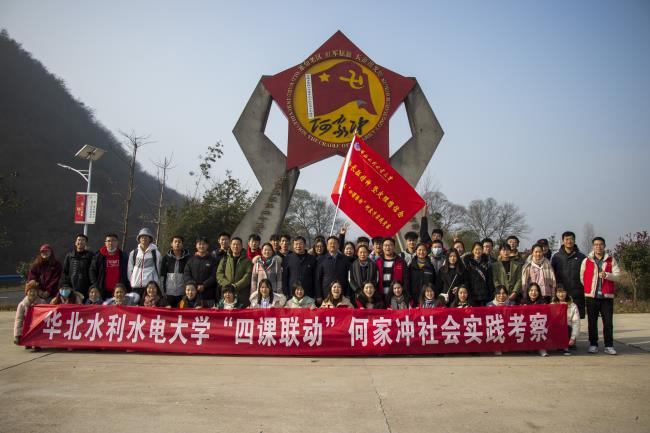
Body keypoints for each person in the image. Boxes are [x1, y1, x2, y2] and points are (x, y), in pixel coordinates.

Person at [581, 236, 621, 355]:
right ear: (593, 246)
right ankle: (593, 344)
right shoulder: (587, 260)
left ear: (604, 246)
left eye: (601, 244)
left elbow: (618, 276)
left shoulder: (611, 260)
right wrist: (589, 288)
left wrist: (607, 275)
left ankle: (609, 345)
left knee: (608, 322)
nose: (598, 246)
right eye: (596, 244)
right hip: (591, 296)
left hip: (606, 297)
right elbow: (582, 277)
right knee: (592, 322)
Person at [551, 231, 587, 319]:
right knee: (560, 318)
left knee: (576, 318)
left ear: (574, 241)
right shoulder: (556, 257)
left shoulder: (582, 257)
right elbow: (552, 274)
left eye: (571, 239)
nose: (569, 241)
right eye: (567, 239)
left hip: (577, 293)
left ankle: (575, 333)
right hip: (561, 293)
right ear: (563, 241)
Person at [90, 233, 130, 299]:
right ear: (105, 243)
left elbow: (127, 272)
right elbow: (92, 271)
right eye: (108, 241)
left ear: (117, 242)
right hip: (102, 291)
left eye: (113, 240)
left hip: (118, 292)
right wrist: (96, 285)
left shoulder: (123, 256)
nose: (111, 243)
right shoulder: (98, 256)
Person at [217, 237, 253, 307]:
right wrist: (228, 286)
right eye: (234, 244)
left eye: (238, 244)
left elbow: (248, 275)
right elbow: (219, 274)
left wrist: (236, 286)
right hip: (226, 293)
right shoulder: (225, 259)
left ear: (242, 246)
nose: (236, 246)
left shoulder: (247, 260)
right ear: (230, 245)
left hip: (242, 294)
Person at [183, 236, 218, 307]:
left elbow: (214, 276)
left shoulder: (213, 260)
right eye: (199, 244)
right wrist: (194, 285)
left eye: (204, 244)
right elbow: (186, 275)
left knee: (209, 317)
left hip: (208, 295)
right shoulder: (191, 260)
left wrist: (204, 285)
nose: (201, 246)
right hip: (192, 296)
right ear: (196, 245)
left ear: (207, 246)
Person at [315, 236, 351, 304]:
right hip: (325, 293)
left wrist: (348, 294)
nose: (332, 245)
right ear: (327, 246)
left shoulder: (345, 259)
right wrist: (318, 295)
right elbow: (317, 279)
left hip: (342, 294)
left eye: (334, 243)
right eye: (330, 243)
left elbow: (349, 278)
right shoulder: (321, 259)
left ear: (338, 245)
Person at [127, 228, 162, 297]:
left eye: (146, 236)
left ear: (150, 239)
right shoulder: (134, 253)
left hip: (150, 288)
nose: (144, 238)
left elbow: (159, 270)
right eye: (142, 237)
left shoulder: (156, 253)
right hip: (136, 286)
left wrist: (157, 283)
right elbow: (130, 269)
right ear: (139, 239)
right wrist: (132, 281)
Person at [160, 235, 190, 308]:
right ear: (171, 244)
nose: (177, 243)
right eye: (175, 242)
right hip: (169, 293)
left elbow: (188, 276)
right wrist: (163, 292)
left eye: (179, 242)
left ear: (182, 244)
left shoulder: (188, 258)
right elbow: (162, 277)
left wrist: (186, 293)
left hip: (182, 293)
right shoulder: (166, 258)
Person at [61, 233, 94, 298]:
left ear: (85, 243)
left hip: (85, 287)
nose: (80, 242)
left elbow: (93, 271)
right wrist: (65, 285)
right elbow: (65, 272)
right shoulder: (69, 255)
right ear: (75, 242)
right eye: (78, 240)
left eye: (83, 240)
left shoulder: (90, 255)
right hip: (71, 287)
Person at [552, 284, 580, 355]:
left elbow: (576, 323)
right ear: (555, 294)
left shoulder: (573, 306)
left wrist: (573, 338)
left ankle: (566, 347)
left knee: (566, 327)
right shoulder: (552, 305)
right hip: (556, 330)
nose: (561, 294)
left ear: (567, 293)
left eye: (563, 292)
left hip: (568, 331)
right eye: (558, 292)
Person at [376, 237, 406, 303]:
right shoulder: (377, 262)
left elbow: (406, 279)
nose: (387, 247)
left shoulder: (401, 261)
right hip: (381, 296)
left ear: (394, 247)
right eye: (385, 245)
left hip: (397, 296)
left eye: (390, 245)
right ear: (382, 247)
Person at [463, 242, 494, 306]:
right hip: (472, 294)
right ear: (472, 250)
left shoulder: (486, 263)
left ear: (482, 251)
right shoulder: (468, 263)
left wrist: (491, 293)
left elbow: (489, 280)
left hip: (484, 294)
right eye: (476, 249)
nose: (478, 251)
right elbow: (466, 280)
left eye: (480, 249)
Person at [14, 281, 43, 346]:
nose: (32, 293)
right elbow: (18, 320)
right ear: (26, 292)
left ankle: (37, 343)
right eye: (30, 291)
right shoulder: (22, 305)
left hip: (38, 328)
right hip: (26, 328)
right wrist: (17, 335)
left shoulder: (42, 302)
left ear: (37, 292)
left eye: (34, 291)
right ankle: (27, 342)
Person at [522, 283, 548, 356]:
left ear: (539, 292)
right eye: (531, 290)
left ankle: (541, 348)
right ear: (528, 292)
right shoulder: (523, 302)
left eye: (536, 291)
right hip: (527, 324)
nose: (533, 293)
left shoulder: (543, 302)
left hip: (539, 324)